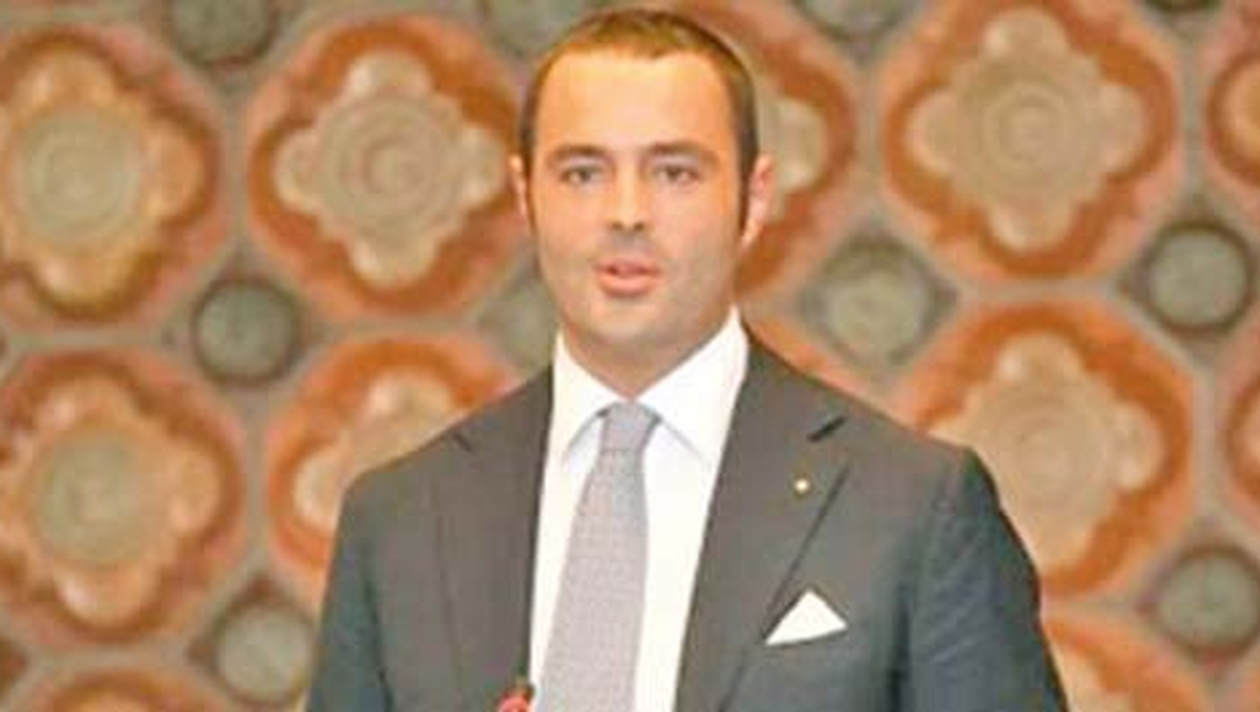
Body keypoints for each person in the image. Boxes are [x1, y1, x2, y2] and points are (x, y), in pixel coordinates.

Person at [306, 8, 1067, 712]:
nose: (626, 213)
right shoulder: (401, 519)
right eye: (582, 173)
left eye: (675, 172)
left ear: (753, 200)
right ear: (525, 195)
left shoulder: (914, 507)